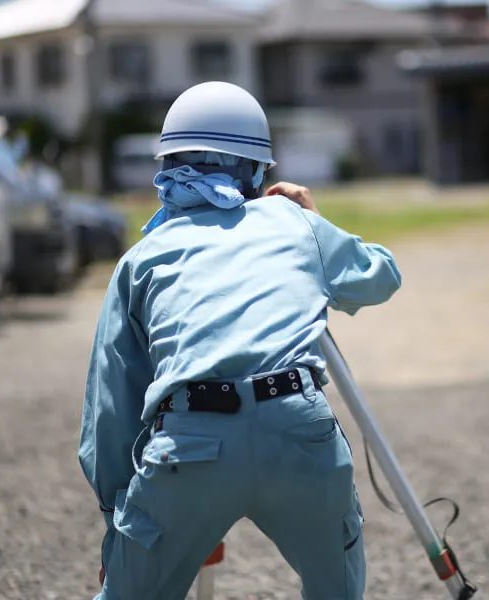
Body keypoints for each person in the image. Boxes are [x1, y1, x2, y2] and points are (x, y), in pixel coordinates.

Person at [78, 81, 402, 600]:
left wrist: (117, 522)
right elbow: (381, 276)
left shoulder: (141, 260)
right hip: (298, 430)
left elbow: (111, 408)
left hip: (190, 442)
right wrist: (312, 218)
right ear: (257, 169)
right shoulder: (293, 222)